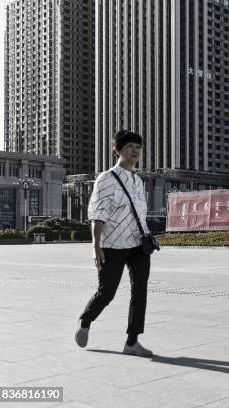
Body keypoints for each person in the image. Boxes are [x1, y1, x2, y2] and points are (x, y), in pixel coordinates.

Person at [74, 130, 153, 357]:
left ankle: (132, 341)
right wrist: (95, 246)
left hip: (138, 245)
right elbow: (97, 215)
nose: (135, 150)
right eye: (130, 146)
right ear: (117, 149)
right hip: (112, 245)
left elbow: (139, 213)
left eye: (138, 147)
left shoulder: (138, 180)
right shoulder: (106, 178)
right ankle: (86, 319)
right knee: (107, 292)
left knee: (140, 292)